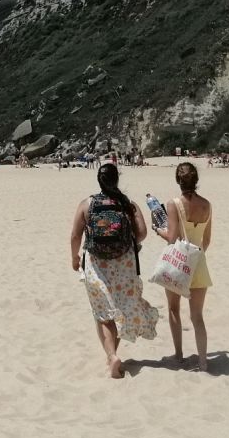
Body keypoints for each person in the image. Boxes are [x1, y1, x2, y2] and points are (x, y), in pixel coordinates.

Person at [69, 163, 156, 378]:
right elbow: (143, 233)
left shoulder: (87, 204)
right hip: (124, 265)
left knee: (103, 314)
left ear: (99, 181)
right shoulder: (128, 204)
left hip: (96, 265)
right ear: (117, 179)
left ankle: (111, 356)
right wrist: (127, 240)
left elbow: (75, 236)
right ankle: (113, 354)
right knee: (120, 310)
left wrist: (74, 257)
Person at [155, 161, 214, 371]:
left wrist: (158, 230)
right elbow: (206, 240)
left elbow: (172, 238)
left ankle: (179, 355)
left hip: (179, 265)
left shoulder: (173, 204)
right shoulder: (207, 205)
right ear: (196, 180)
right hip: (198, 263)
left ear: (178, 180)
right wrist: (197, 256)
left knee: (173, 310)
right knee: (197, 316)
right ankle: (203, 361)